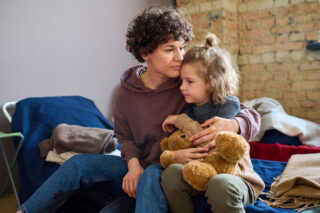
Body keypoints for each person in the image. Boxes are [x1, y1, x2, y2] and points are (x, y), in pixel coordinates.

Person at [18, 6, 261, 213]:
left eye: (182, 47)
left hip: (165, 164)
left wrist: (234, 124)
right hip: (140, 161)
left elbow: (242, 109)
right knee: (78, 164)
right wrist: (133, 164)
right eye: (170, 49)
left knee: (149, 178)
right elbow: (123, 136)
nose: (180, 56)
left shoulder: (186, 83)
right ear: (146, 54)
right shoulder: (126, 91)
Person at [161, 33, 265, 213]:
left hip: (235, 178)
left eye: (189, 81)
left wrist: (180, 121)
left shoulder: (227, 105)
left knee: (220, 183)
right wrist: (176, 155)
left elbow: (206, 138)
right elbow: (180, 143)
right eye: (182, 81)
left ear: (211, 83)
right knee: (171, 174)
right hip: (201, 175)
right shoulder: (189, 111)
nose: (182, 87)